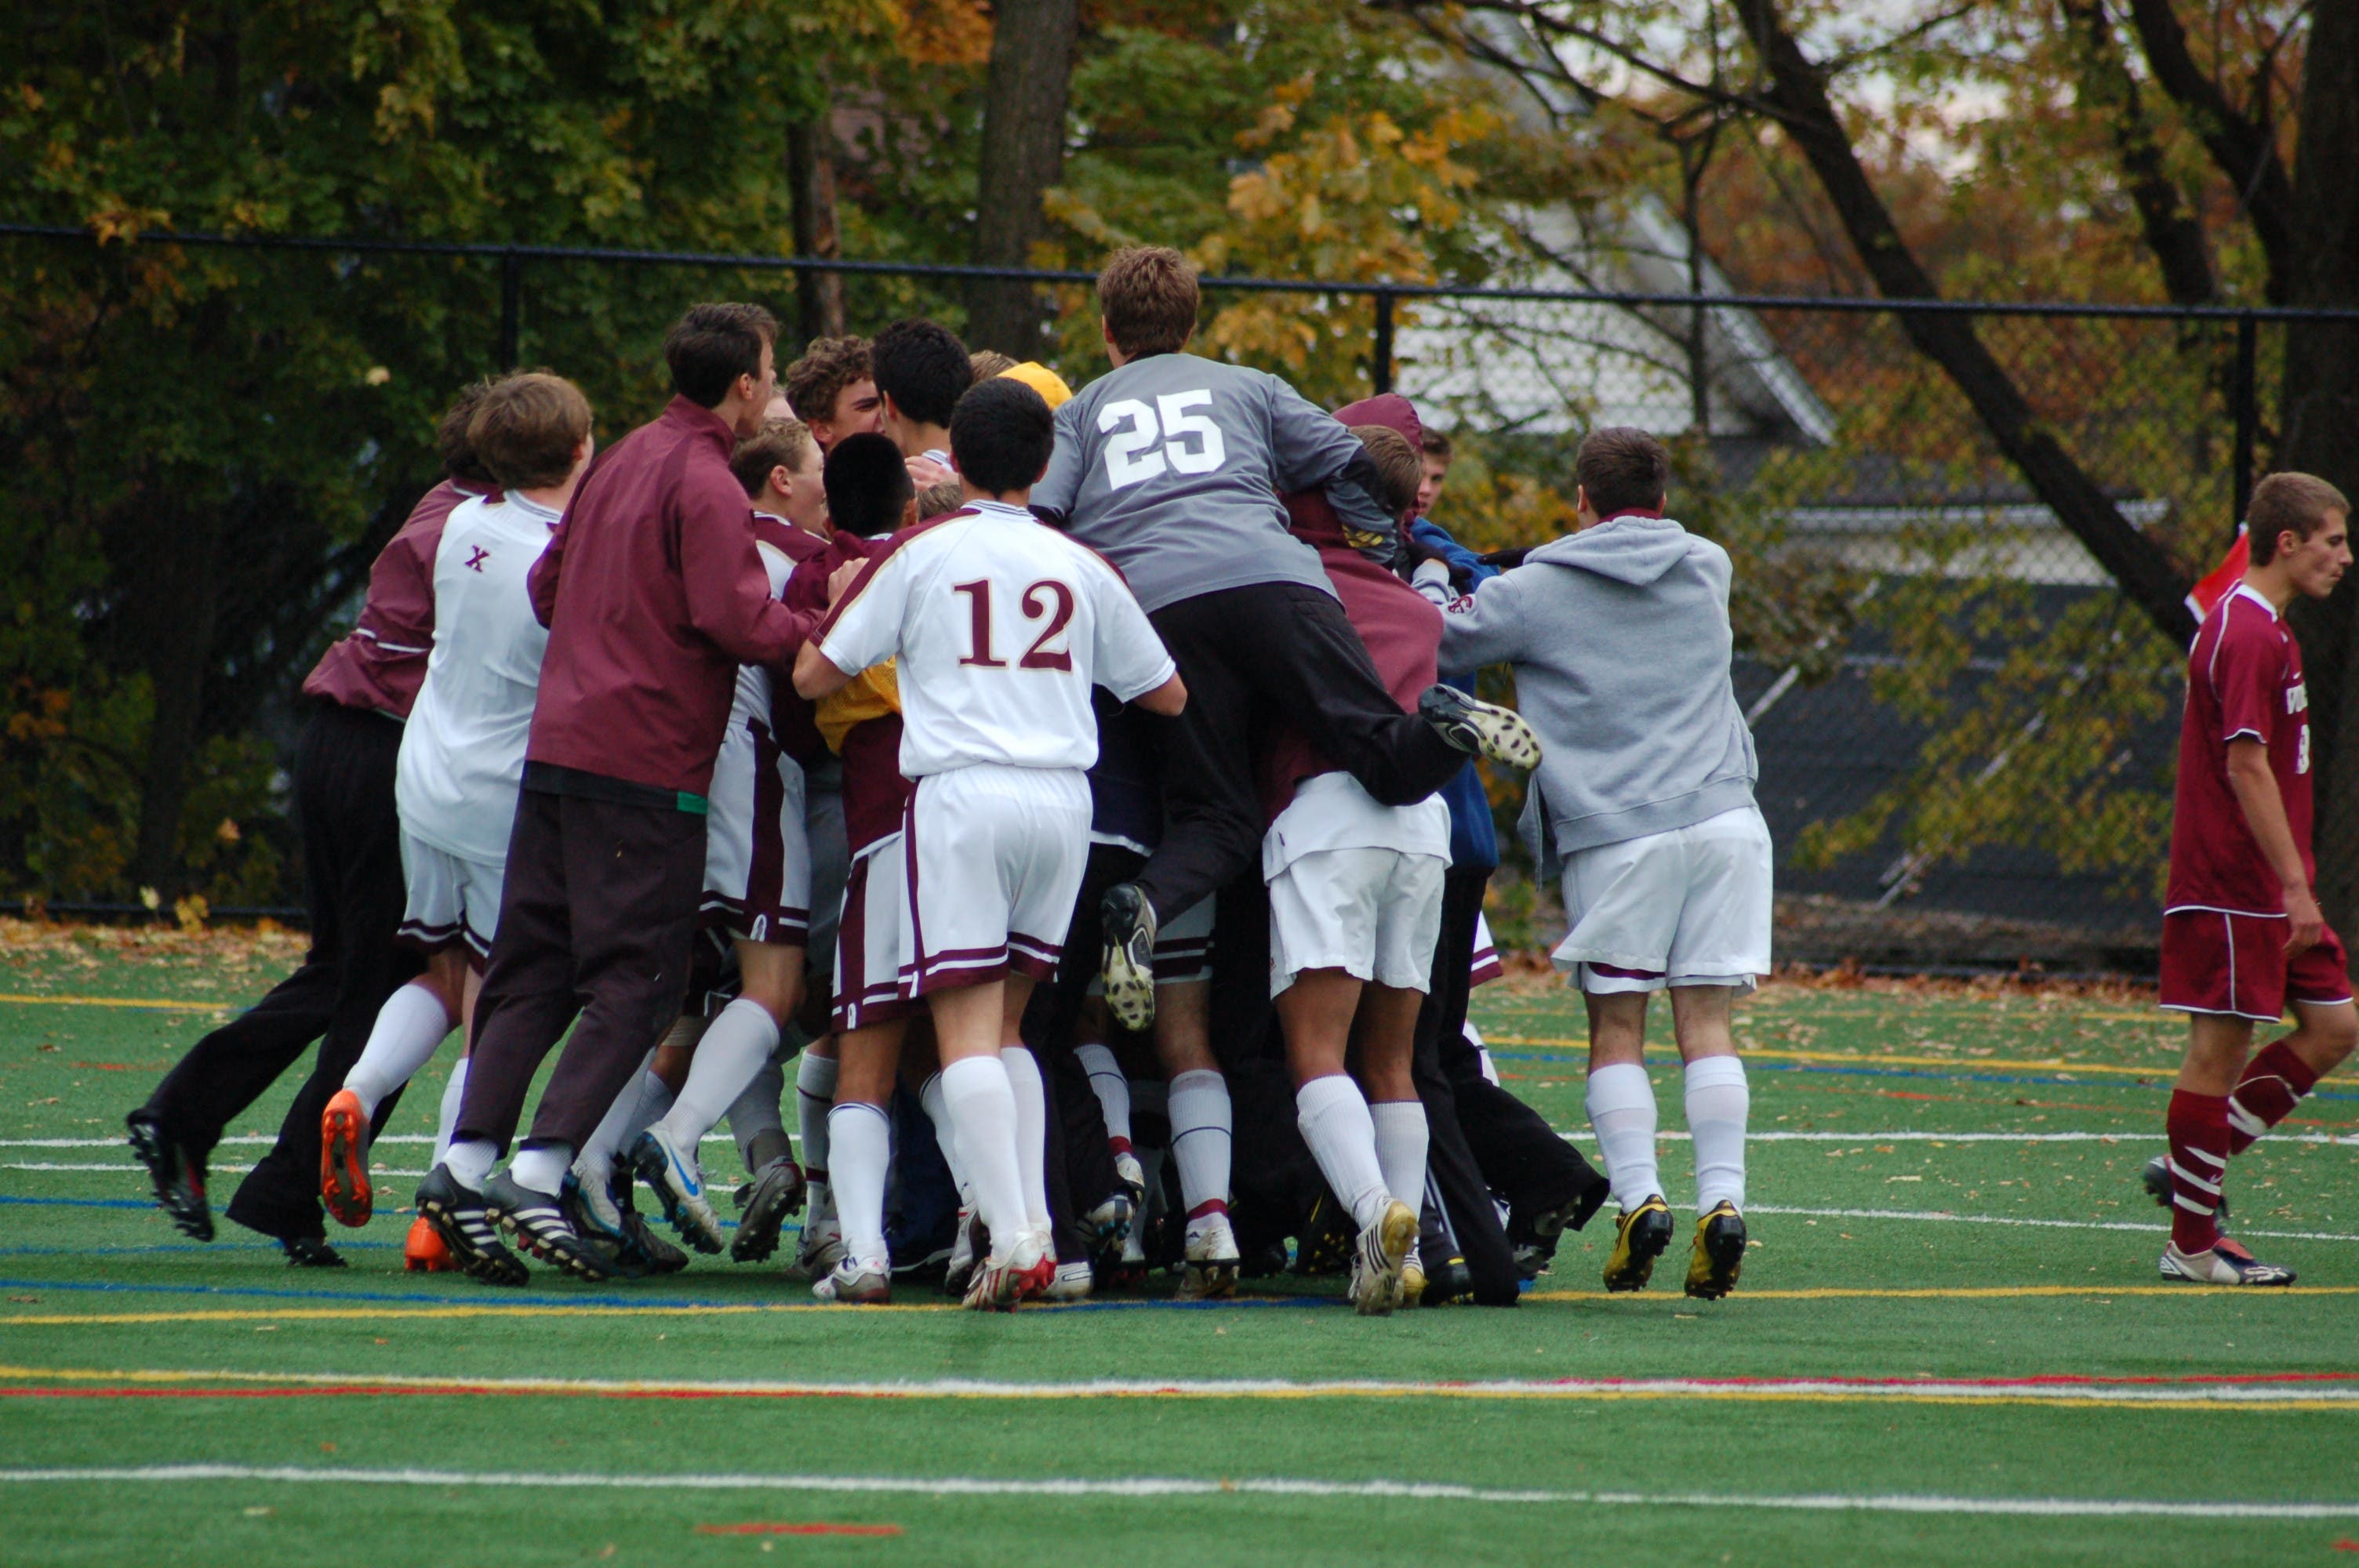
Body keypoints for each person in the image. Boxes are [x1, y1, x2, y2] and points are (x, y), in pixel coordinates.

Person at [1027, 245, 1539, 1294]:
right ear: (1196, 319)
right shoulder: (1248, 389)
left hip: (1160, 611)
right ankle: (1439, 724)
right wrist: (1377, 540)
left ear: (1108, 334)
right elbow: (1350, 464)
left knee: (1214, 818)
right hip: (1271, 577)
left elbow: (1048, 522)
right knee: (1372, 743)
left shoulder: (1083, 410)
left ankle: (1142, 901)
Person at [416, 303, 823, 1286]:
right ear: (743, 385)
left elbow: (549, 589)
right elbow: (734, 614)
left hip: (558, 750)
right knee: (637, 980)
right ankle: (543, 1167)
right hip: (645, 765)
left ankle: (464, 1164)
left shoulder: (621, 459)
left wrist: (613, 633)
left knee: (530, 970)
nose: (769, 388)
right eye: (767, 372)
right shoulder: (702, 477)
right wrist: (820, 632)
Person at [794, 376, 1185, 1310]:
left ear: (954, 461)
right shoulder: (1078, 561)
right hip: (1062, 801)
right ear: (1046, 465)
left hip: (960, 794)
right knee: (1012, 1025)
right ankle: (1034, 1229)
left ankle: (1016, 1236)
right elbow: (1165, 694)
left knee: (963, 1025)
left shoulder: (924, 551)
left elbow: (815, 675)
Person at [126, 381, 493, 1264]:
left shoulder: (441, 505)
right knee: (398, 982)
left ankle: (186, 1115)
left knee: (345, 971)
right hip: (389, 759)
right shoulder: (490, 529)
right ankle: (291, 1186)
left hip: (337, 737)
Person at [1427, 426, 1766, 1301]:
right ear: (1662, 495)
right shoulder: (1708, 565)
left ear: (1580, 496)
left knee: (1617, 1028)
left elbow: (1437, 641)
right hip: (1727, 816)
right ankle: (1723, 1202)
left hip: (1619, 831)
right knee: (1708, 1024)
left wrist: (1438, 572)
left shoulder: (1537, 588)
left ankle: (1638, 1197)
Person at [316, 373, 594, 1269]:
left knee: (444, 970)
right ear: (581, 450)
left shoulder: (460, 519)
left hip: (425, 771)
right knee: (499, 1000)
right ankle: (444, 1197)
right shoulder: (564, 550)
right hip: (498, 793)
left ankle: (356, 1092)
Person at [623, 419, 831, 1257]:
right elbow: (818, 672)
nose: (825, 482)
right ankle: (678, 1137)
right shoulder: (789, 554)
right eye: (816, 467)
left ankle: (582, 1167)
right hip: (749, 770)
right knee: (773, 985)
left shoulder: (677, 541)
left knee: (671, 1005)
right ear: (778, 478)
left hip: (659, 770)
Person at [2147, 472, 2356, 1286]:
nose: (2343, 556)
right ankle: (2191, 1245)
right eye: (2332, 540)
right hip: (2235, 882)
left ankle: (2189, 1170)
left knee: (2335, 1027)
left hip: (2270, 886)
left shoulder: (2270, 629)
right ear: (2287, 542)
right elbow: (2244, 764)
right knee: (2216, 1051)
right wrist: (2292, 885)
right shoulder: (2242, 631)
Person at [1265, 423, 1448, 1316]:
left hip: (1327, 816)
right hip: (1421, 829)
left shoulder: (1297, 589)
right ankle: (1402, 1244)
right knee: (1392, 1059)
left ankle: (1377, 1216)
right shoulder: (1417, 607)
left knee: (1314, 1051)